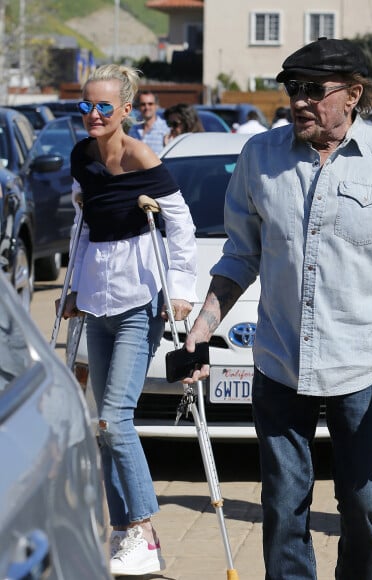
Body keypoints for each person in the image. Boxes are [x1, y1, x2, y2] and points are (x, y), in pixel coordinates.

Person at [182, 37, 372, 579]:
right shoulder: (260, 157)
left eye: (311, 90)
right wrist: (203, 328)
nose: (298, 101)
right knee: (282, 509)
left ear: (353, 94)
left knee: (366, 507)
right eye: (291, 89)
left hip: (361, 367)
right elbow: (239, 256)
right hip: (279, 363)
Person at [60, 64, 198, 576]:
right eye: (85, 105)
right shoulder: (82, 156)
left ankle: (141, 530)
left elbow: (179, 223)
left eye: (103, 107)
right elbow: (82, 219)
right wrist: (72, 285)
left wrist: (181, 291)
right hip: (97, 298)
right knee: (104, 425)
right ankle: (127, 535)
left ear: (125, 110)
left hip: (141, 299)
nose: (92, 115)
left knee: (115, 420)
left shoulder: (142, 156)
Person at [128, 90, 168, 154]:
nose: (147, 107)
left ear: (156, 106)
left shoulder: (165, 129)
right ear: (138, 107)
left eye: (150, 104)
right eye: (143, 104)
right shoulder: (133, 129)